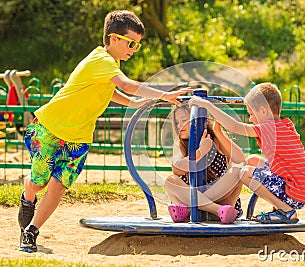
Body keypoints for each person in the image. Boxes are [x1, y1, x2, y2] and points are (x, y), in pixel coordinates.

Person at [18, 10, 191, 253]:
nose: (133, 48)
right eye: (131, 43)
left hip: (78, 139)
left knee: (57, 188)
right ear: (113, 38)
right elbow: (125, 84)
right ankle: (28, 196)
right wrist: (162, 94)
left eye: (137, 45)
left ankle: (31, 231)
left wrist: (133, 103)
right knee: (39, 184)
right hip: (50, 129)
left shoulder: (111, 64)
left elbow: (109, 90)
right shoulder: (101, 60)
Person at [189, 82, 305, 224]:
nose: (250, 119)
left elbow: (235, 127)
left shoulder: (268, 128)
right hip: (303, 188)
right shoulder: (285, 125)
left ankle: (286, 211)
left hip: (295, 192)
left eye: (251, 114)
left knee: (245, 173)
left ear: (263, 111)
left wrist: (207, 105)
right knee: (252, 161)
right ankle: (279, 208)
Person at [165, 104, 244, 224]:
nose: (180, 126)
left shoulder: (215, 138)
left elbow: (239, 158)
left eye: (184, 120)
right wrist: (201, 152)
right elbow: (177, 170)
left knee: (237, 173)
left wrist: (218, 132)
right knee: (170, 180)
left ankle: (195, 210)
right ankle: (216, 210)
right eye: (177, 122)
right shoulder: (180, 144)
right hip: (194, 197)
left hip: (217, 197)